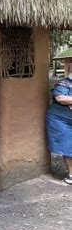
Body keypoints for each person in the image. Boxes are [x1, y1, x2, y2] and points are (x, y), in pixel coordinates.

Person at [46, 54, 72, 185]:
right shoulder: (64, 83)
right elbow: (60, 98)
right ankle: (71, 174)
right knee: (67, 144)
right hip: (60, 120)